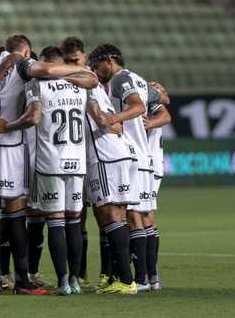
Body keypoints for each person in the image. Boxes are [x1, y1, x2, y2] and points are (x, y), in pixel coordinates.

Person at [0, 34, 96, 295]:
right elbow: (45, 69)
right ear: (26, 51)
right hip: (10, 142)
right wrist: (79, 67)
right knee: (15, 211)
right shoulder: (24, 65)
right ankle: (22, 279)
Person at [62, 37, 140, 295]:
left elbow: (97, 113)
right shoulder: (94, 82)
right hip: (120, 153)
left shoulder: (86, 80)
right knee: (115, 215)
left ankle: (126, 282)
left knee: (110, 215)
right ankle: (117, 277)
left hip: (105, 155)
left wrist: (104, 119)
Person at [89, 44, 169, 291]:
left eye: (97, 64)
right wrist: (161, 96)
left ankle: (142, 279)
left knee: (133, 217)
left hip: (132, 154)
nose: (95, 69)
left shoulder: (120, 78)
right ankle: (150, 278)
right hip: (143, 156)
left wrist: (113, 119)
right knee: (142, 218)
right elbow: (162, 100)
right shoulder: (137, 78)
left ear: (110, 60)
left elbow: (138, 106)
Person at [142, 83, 171, 291]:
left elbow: (166, 115)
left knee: (145, 217)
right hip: (139, 163)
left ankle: (151, 275)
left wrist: (148, 124)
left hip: (150, 164)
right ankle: (148, 275)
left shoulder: (146, 97)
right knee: (137, 217)